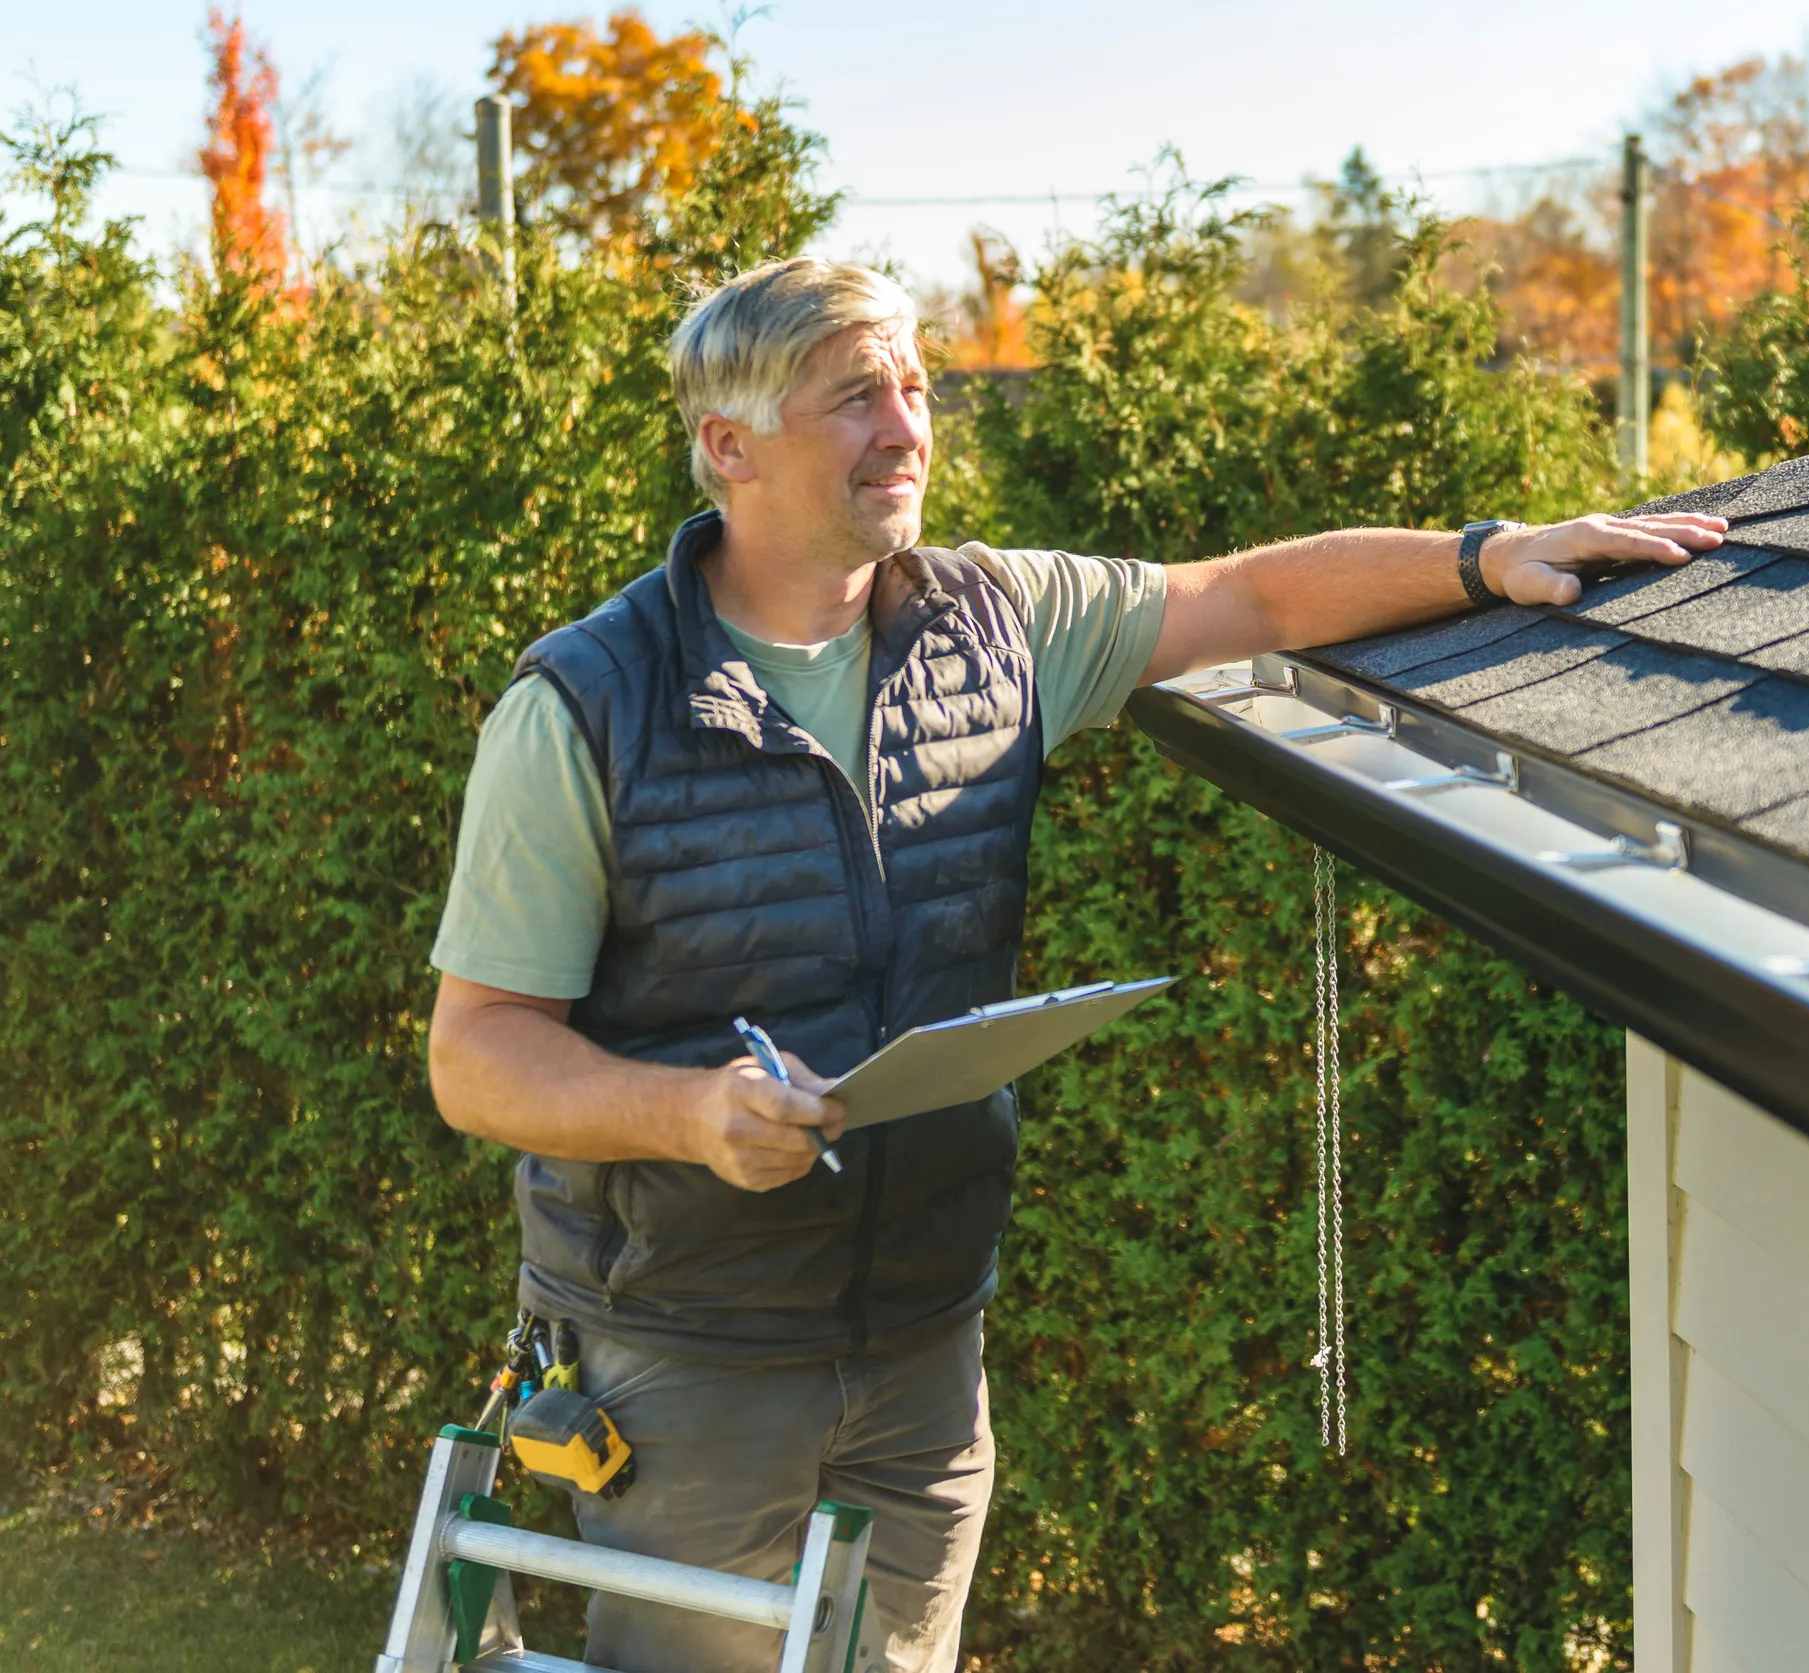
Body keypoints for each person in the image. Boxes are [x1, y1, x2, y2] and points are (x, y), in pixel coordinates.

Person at [426, 256, 1727, 1673]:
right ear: (727, 448)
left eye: (914, 388)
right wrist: (689, 1116)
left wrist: (1481, 557)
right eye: (858, 398)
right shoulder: (584, 707)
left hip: (927, 1347)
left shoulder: (992, 625)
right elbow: (476, 1050)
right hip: (688, 1355)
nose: (909, 431)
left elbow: (1247, 599)